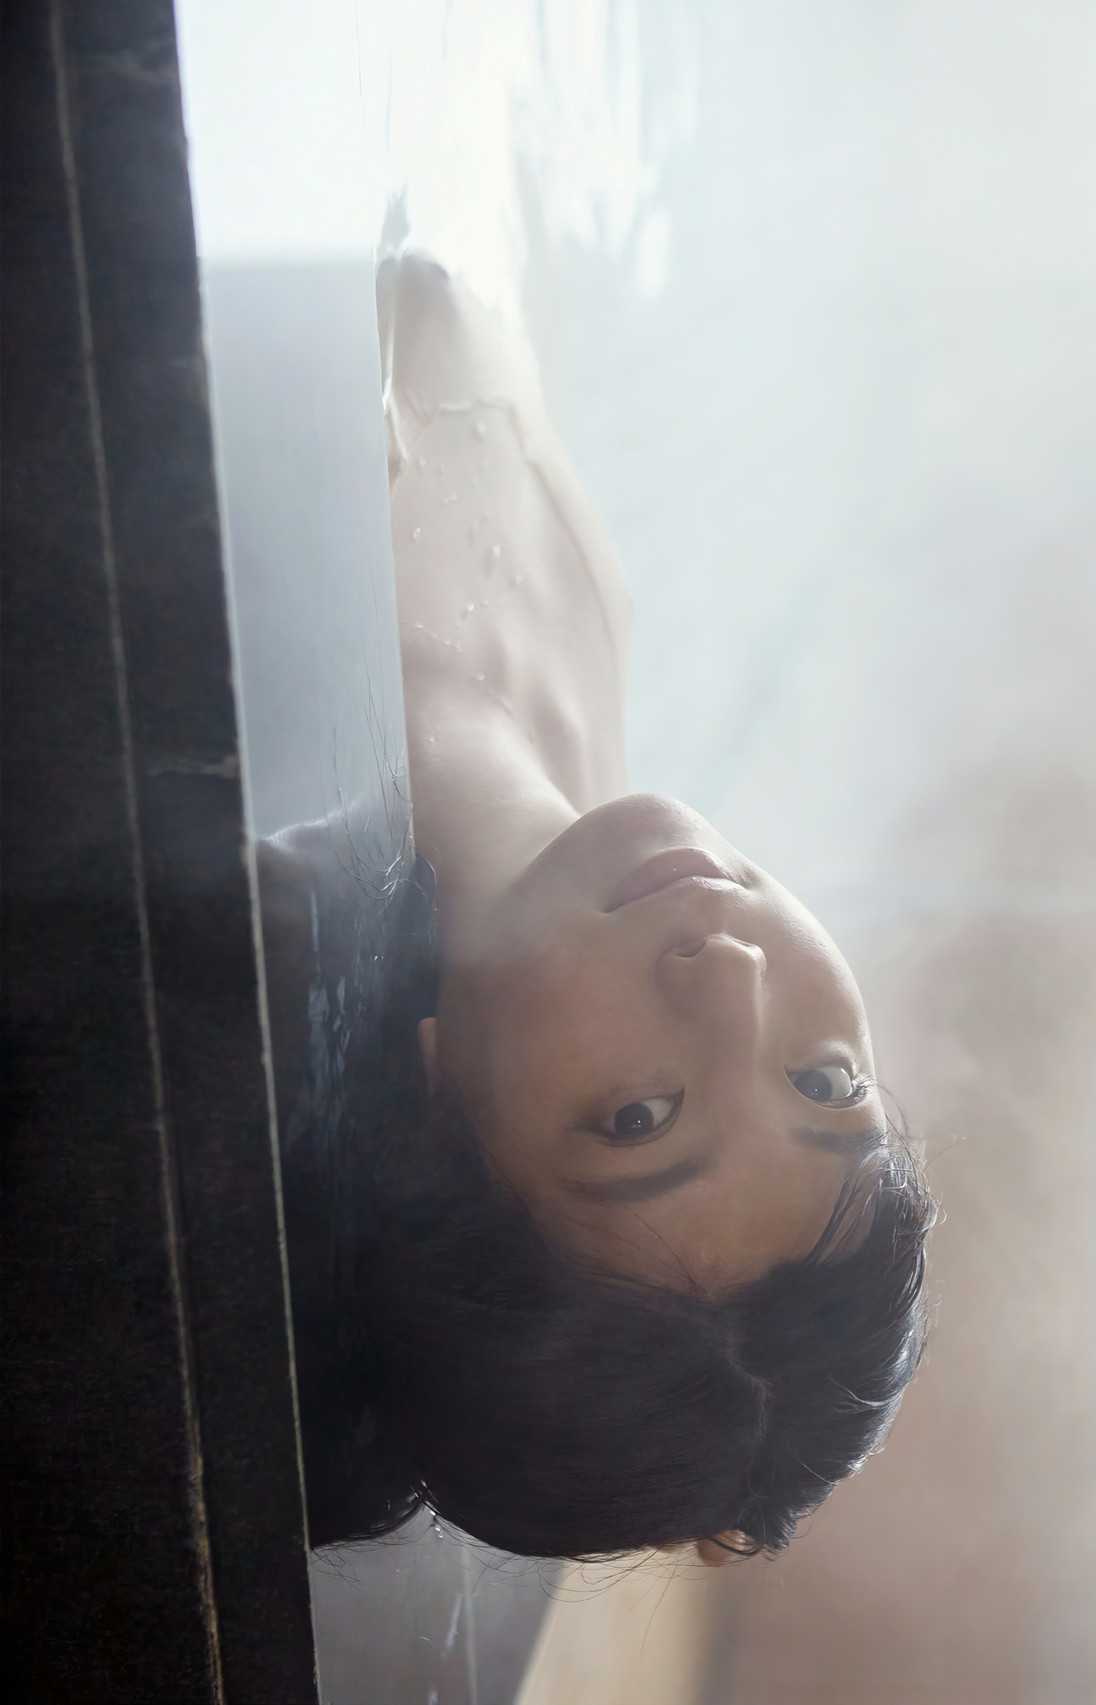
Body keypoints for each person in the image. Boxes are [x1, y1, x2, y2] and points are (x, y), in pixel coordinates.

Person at [282, 252, 935, 1566]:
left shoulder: (288, 669)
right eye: (825, 1082)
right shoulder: (593, 671)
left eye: (640, 1117)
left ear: (438, 1122)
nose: (731, 975)